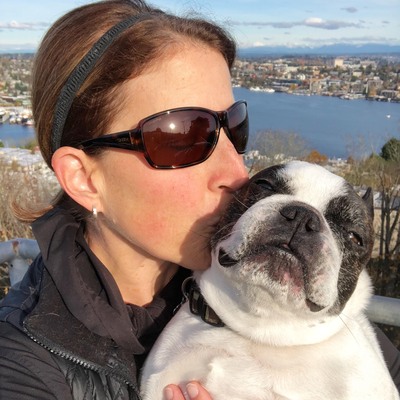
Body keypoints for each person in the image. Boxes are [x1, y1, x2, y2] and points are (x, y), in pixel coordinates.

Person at [0, 1, 398, 399]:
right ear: (84, 178)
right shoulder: (21, 368)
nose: (237, 173)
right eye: (182, 137)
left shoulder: (268, 289)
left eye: (235, 128)